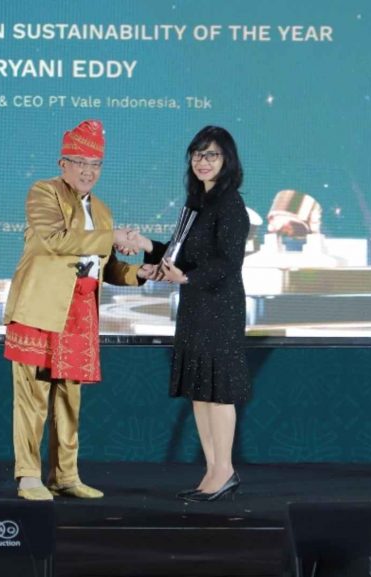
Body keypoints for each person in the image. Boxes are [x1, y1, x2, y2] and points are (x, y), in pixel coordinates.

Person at [2, 119, 147, 501]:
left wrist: (139, 273)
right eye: (80, 162)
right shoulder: (43, 192)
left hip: (81, 311)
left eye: (95, 164)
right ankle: (28, 476)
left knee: (70, 398)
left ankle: (65, 476)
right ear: (63, 163)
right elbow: (55, 239)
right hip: (40, 309)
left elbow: (107, 267)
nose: (88, 171)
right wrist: (111, 236)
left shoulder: (102, 210)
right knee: (33, 397)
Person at [137, 126, 251, 501]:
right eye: (197, 155)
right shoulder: (196, 204)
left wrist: (186, 277)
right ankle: (212, 469)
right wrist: (149, 249)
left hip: (220, 307)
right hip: (194, 306)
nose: (203, 162)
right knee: (200, 391)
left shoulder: (230, 204)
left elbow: (228, 263)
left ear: (227, 160)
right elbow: (180, 255)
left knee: (218, 393)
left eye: (211, 155)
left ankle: (226, 470)